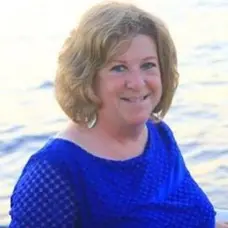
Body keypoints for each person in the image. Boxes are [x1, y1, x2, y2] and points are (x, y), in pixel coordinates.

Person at [8, 1, 227, 227]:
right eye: (118, 68)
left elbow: (189, 217)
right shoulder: (53, 171)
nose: (137, 82)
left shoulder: (158, 134)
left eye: (148, 65)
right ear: (87, 78)